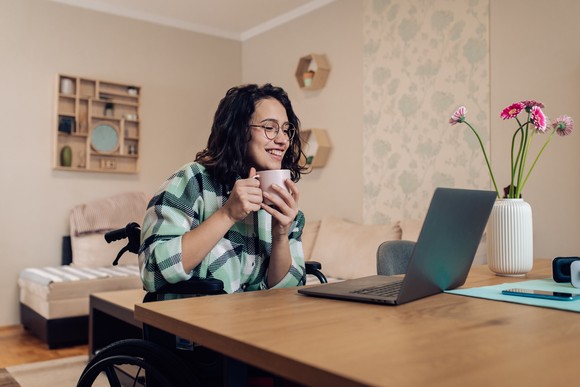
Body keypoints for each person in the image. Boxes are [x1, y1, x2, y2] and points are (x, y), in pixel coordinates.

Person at [139, 83, 307, 295]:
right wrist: (227, 214)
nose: (282, 140)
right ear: (238, 130)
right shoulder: (193, 180)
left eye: (285, 129)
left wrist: (281, 234)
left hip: (258, 324)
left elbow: (288, 295)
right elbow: (152, 274)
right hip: (195, 325)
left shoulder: (281, 200)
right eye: (269, 128)